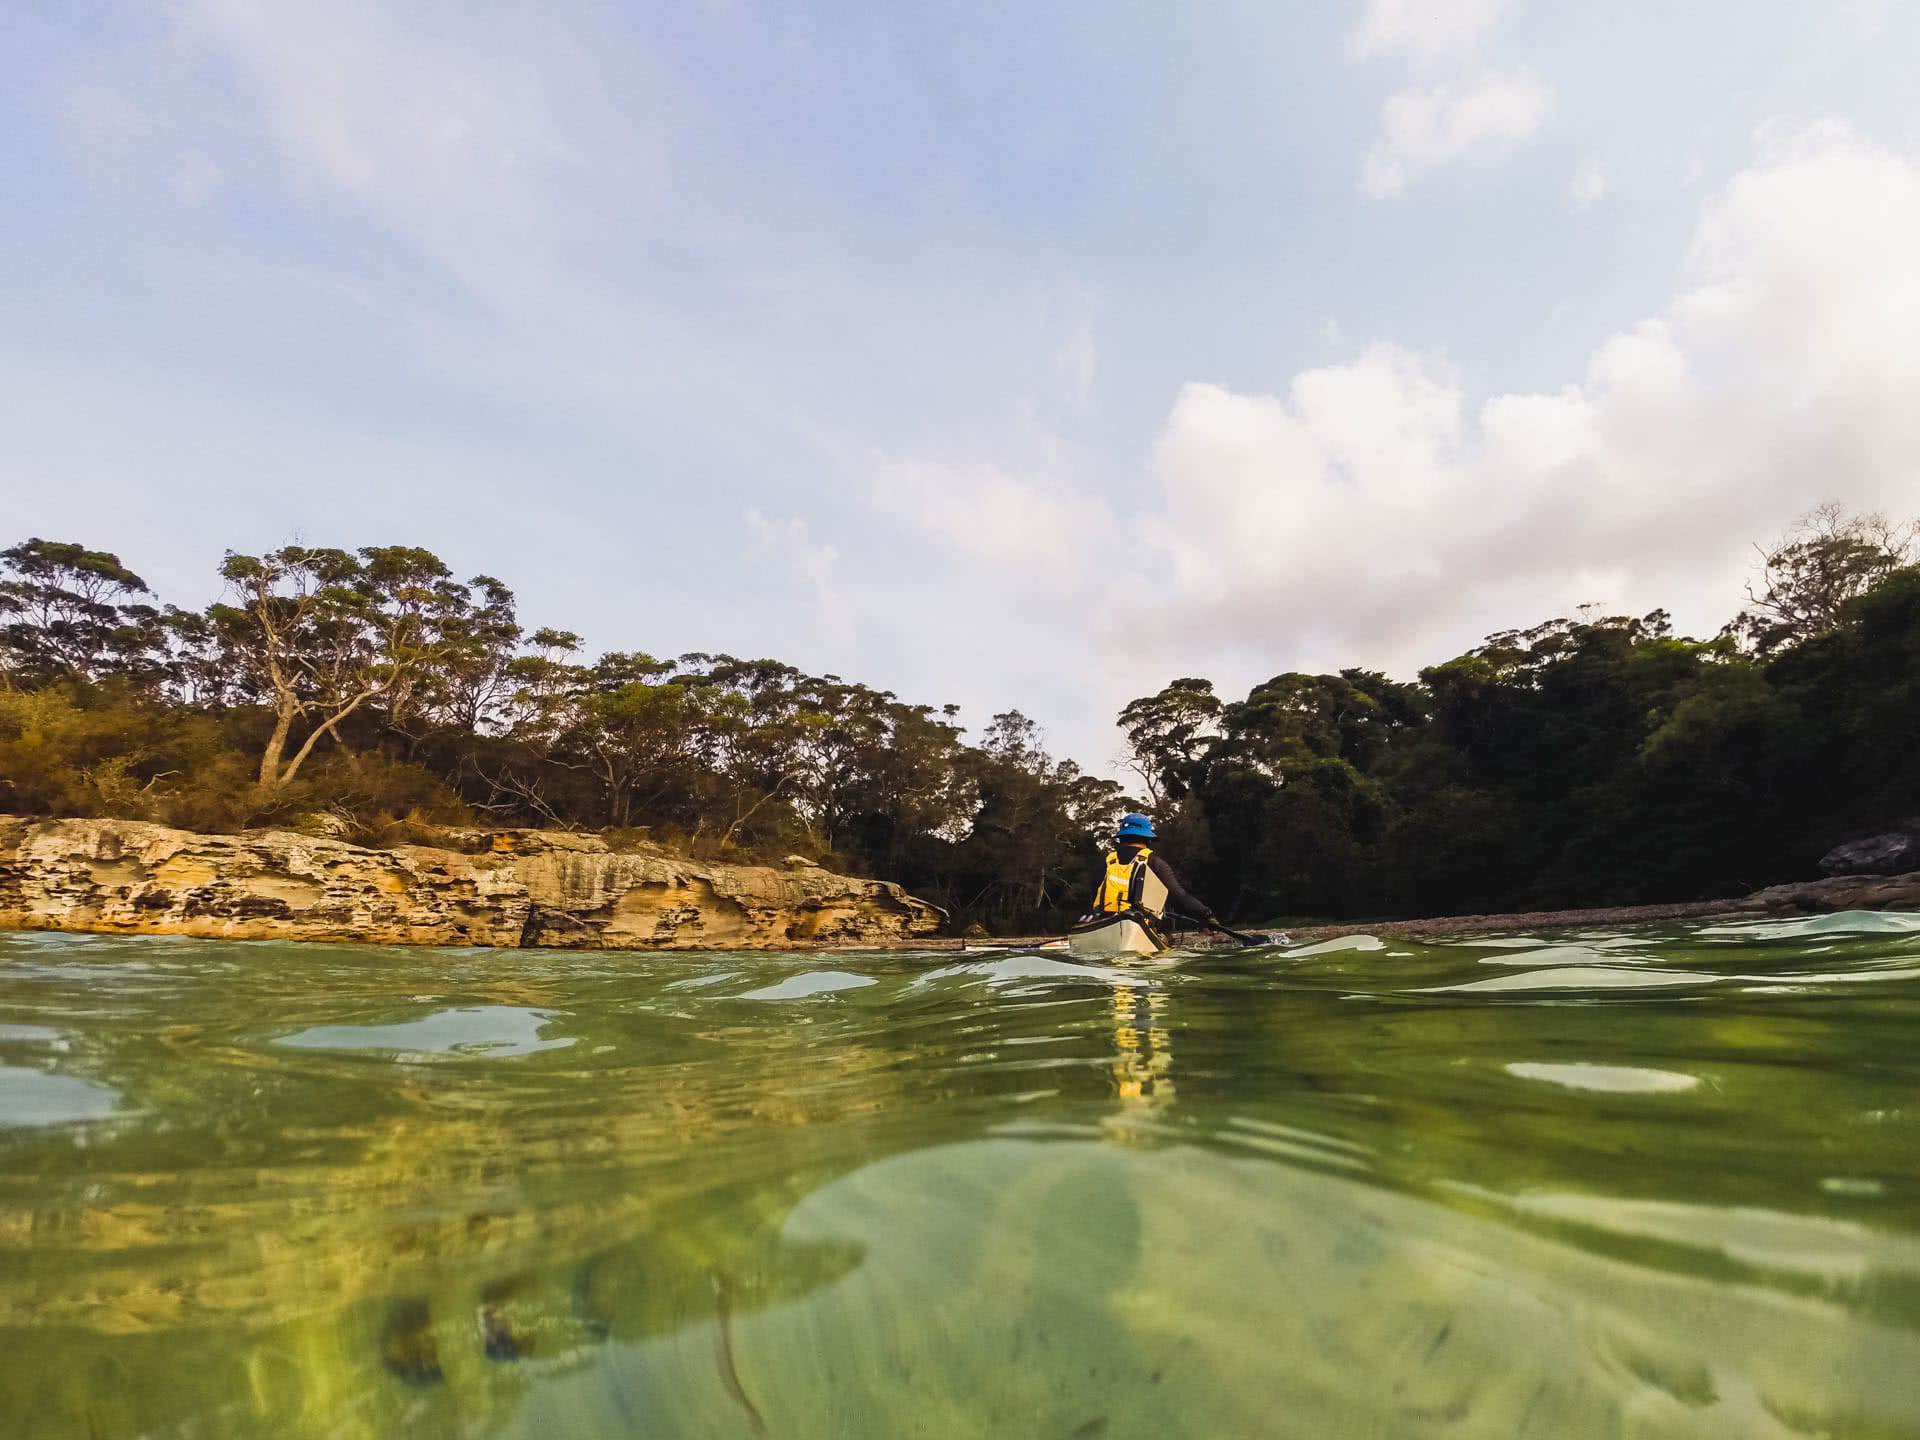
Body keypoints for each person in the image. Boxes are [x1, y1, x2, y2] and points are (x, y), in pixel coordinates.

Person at [1089, 813, 1217, 934]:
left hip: (1102, 924)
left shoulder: (1106, 862)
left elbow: (1096, 895)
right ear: (1148, 839)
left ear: (1121, 838)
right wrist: (1205, 915)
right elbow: (1178, 895)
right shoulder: (1155, 862)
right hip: (1139, 927)